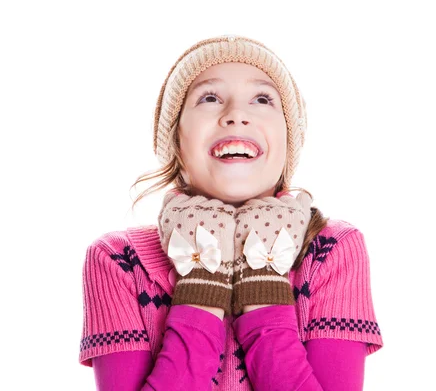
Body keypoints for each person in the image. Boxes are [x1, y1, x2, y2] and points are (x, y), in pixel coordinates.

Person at [79, 34, 383, 390]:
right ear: (176, 140)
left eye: (262, 99)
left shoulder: (333, 250)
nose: (236, 115)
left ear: (289, 140)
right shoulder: (119, 261)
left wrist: (263, 285)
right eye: (209, 98)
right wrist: (201, 286)